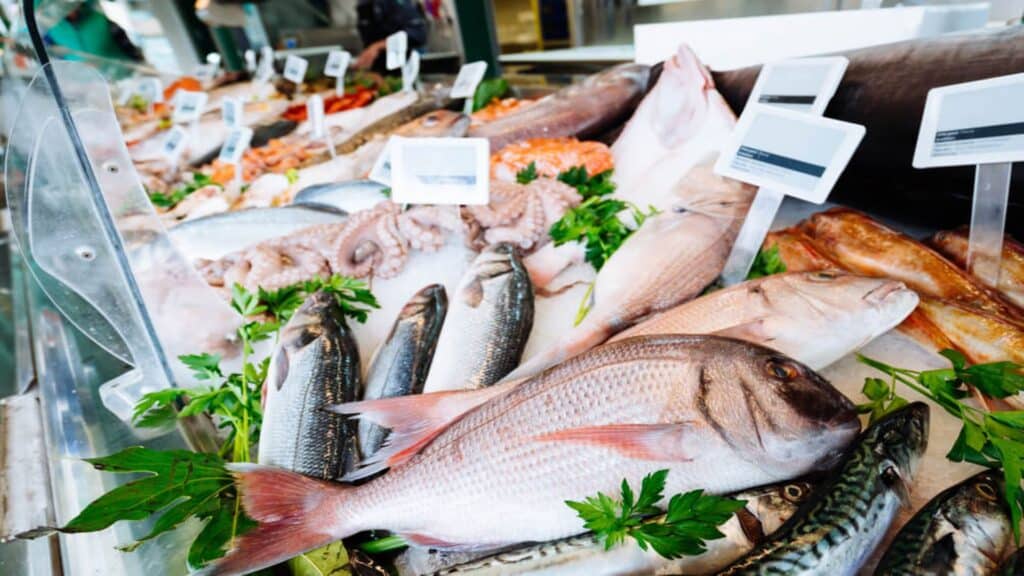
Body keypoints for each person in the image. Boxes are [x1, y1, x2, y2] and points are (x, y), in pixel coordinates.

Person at [353, 0, 427, 71]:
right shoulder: (363, 5)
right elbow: (368, 41)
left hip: (404, 68)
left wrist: (377, 46)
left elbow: (418, 34)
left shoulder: (398, 3)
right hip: (378, 71)